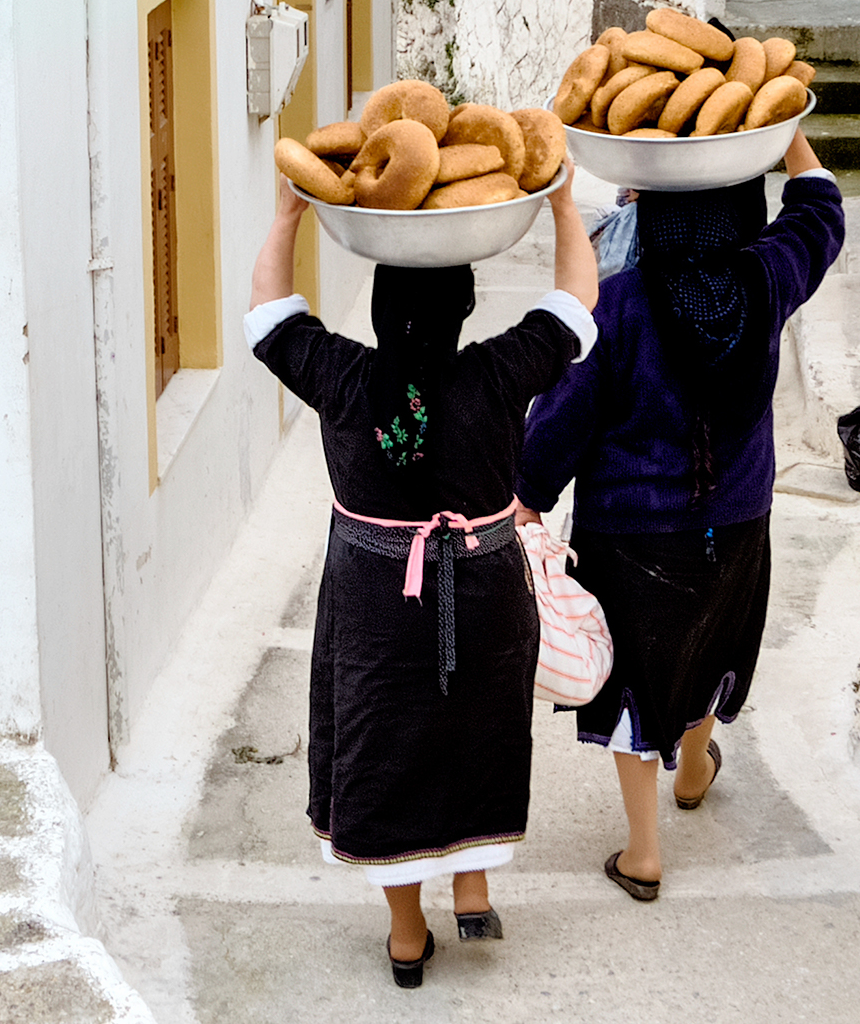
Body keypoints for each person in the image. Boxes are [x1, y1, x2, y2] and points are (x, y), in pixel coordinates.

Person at [243, 160, 598, 987]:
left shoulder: (341, 377)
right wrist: (563, 206)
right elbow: (577, 305)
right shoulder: (498, 374)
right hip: (485, 591)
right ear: (465, 309)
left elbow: (267, 315)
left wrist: (290, 214)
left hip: (374, 605)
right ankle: (471, 881)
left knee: (386, 750)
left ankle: (408, 938)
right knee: (478, 731)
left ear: (378, 311)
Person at [514, 130, 844, 901]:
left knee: (636, 680)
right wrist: (788, 135)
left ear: (653, 214)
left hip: (629, 533)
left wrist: (525, 497)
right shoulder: (768, 279)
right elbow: (821, 213)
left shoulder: (617, 305)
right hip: (735, 519)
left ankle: (644, 853)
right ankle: (694, 767)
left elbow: (565, 417)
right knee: (709, 638)